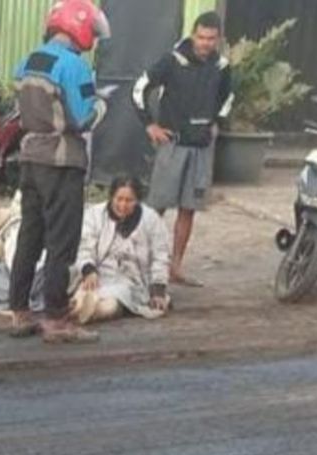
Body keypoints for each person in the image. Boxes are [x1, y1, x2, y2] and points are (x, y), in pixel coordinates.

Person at [10, 0, 112, 344]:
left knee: (30, 235)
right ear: (78, 26)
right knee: (61, 241)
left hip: (30, 157)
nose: (93, 41)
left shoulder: (28, 60)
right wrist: (102, 104)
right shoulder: (75, 66)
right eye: (92, 33)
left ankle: (20, 312)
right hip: (62, 159)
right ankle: (56, 318)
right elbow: (83, 117)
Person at [133, 11, 233, 288]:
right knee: (156, 208)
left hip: (201, 147)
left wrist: (217, 122)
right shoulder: (172, 60)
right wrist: (149, 125)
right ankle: (138, 263)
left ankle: (175, 267)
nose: (205, 43)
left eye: (211, 38)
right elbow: (140, 88)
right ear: (193, 35)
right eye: (201, 37)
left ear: (218, 39)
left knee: (189, 209)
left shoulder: (222, 66)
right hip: (173, 144)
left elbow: (227, 97)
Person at [70, 176, 172, 325]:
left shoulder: (151, 219)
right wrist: (88, 268)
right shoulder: (95, 215)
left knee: (111, 305)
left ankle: (90, 311)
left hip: (131, 280)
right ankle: (79, 307)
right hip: (98, 275)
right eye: (119, 199)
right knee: (83, 293)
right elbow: (84, 245)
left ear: (137, 200)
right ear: (111, 197)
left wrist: (158, 290)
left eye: (129, 200)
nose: (123, 205)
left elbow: (161, 255)